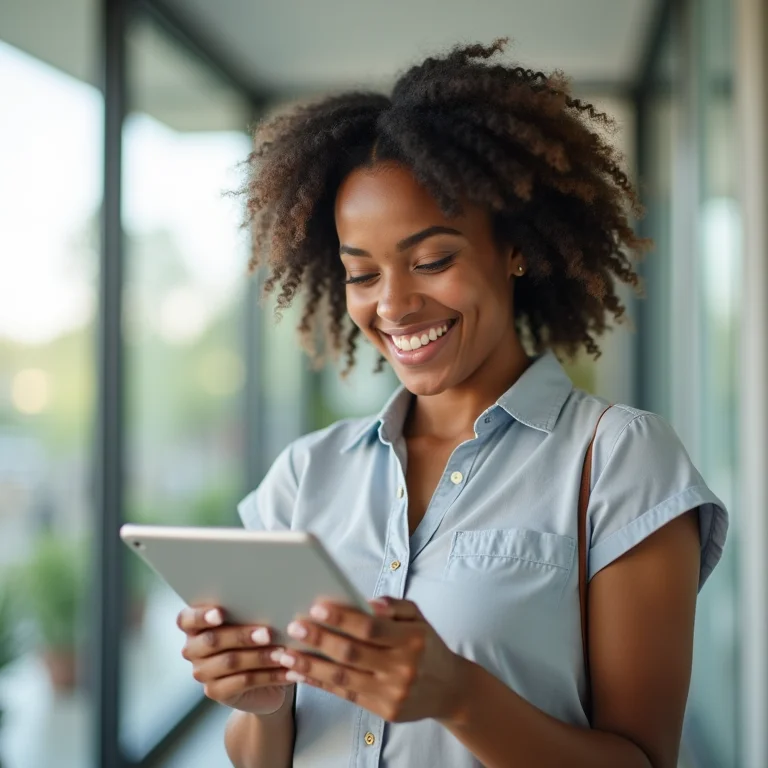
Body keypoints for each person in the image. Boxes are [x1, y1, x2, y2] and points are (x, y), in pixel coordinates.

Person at [177, 40, 728, 768]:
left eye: (433, 260)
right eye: (361, 274)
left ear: (514, 249)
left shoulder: (620, 461)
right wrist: (263, 704)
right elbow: (261, 756)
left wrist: (460, 696)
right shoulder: (304, 475)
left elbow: (644, 761)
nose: (395, 305)